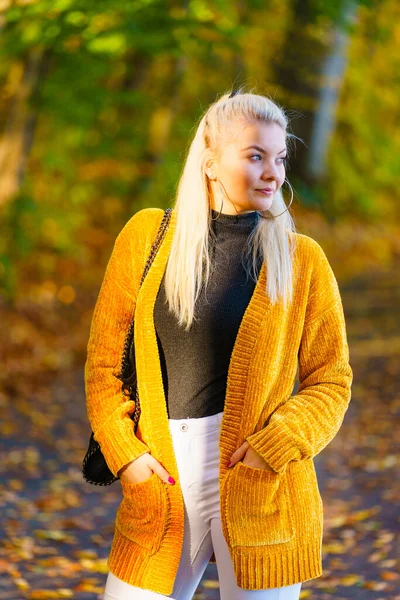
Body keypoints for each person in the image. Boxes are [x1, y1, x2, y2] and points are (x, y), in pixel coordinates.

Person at [84, 88, 353, 600]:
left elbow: (331, 380)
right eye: (255, 156)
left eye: (279, 158)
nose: (274, 172)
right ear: (209, 162)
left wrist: (273, 448)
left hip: (260, 485)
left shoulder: (303, 261)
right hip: (160, 483)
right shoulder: (147, 238)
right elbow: (103, 366)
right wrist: (126, 454)